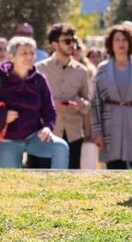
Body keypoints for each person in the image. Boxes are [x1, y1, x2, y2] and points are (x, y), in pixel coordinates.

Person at [0, 36, 70, 169]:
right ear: (12, 57)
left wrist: (47, 127)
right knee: (13, 181)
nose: (29, 57)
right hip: (5, 139)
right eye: (23, 53)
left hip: (33, 136)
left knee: (60, 147)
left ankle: (57, 187)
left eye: (32, 53)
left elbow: (49, 109)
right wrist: (2, 115)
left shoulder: (39, 80)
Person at [91, 23, 132, 170]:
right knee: (114, 168)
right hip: (111, 122)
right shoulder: (102, 69)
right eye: (117, 39)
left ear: (130, 43)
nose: (121, 43)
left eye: (124, 39)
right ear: (111, 43)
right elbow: (96, 102)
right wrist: (97, 132)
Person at [35, 23, 91, 169]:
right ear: (54, 44)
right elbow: (32, 101)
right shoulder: (40, 69)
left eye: (73, 41)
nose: (72, 44)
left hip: (73, 134)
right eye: (67, 41)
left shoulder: (81, 71)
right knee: (45, 178)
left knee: (71, 179)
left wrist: (82, 104)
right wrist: (53, 105)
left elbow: (88, 104)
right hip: (47, 133)